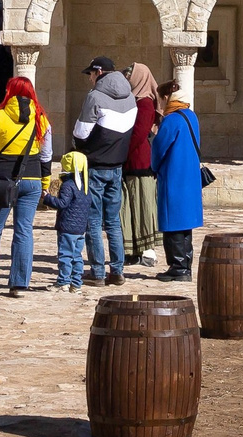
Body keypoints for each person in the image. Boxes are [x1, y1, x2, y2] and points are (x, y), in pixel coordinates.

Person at [0, 75, 51, 296]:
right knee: (24, 231)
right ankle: (18, 285)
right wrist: (45, 182)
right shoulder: (41, 118)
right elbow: (46, 156)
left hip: (3, 180)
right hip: (33, 180)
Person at [72, 57, 136, 286]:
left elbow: (81, 133)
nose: (89, 78)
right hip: (117, 166)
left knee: (93, 221)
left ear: (99, 72)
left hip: (96, 165)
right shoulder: (131, 97)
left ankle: (98, 272)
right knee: (113, 222)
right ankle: (117, 271)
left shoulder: (95, 97)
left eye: (90, 73)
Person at [150, 84, 204, 282]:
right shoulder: (191, 116)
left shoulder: (171, 120)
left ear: (167, 98)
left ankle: (178, 267)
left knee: (173, 222)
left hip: (174, 176)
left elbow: (159, 148)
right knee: (185, 223)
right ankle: (185, 264)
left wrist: (154, 166)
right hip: (189, 177)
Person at [120, 62, 162, 267]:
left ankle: (147, 249)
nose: (127, 80)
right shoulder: (134, 101)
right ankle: (132, 250)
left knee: (143, 205)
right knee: (129, 205)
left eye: (130, 76)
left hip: (140, 161)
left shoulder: (145, 102)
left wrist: (121, 150)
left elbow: (138, 133)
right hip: (131, 160)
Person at [49, 151, 95, 291]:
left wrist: (47, 198)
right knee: (77, 256)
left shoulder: (68, 185)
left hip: (67, 227)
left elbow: (62, 203)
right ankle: (76, 283)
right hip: (80, 228)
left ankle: (63, 281)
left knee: (65, 255)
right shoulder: (86, 185)